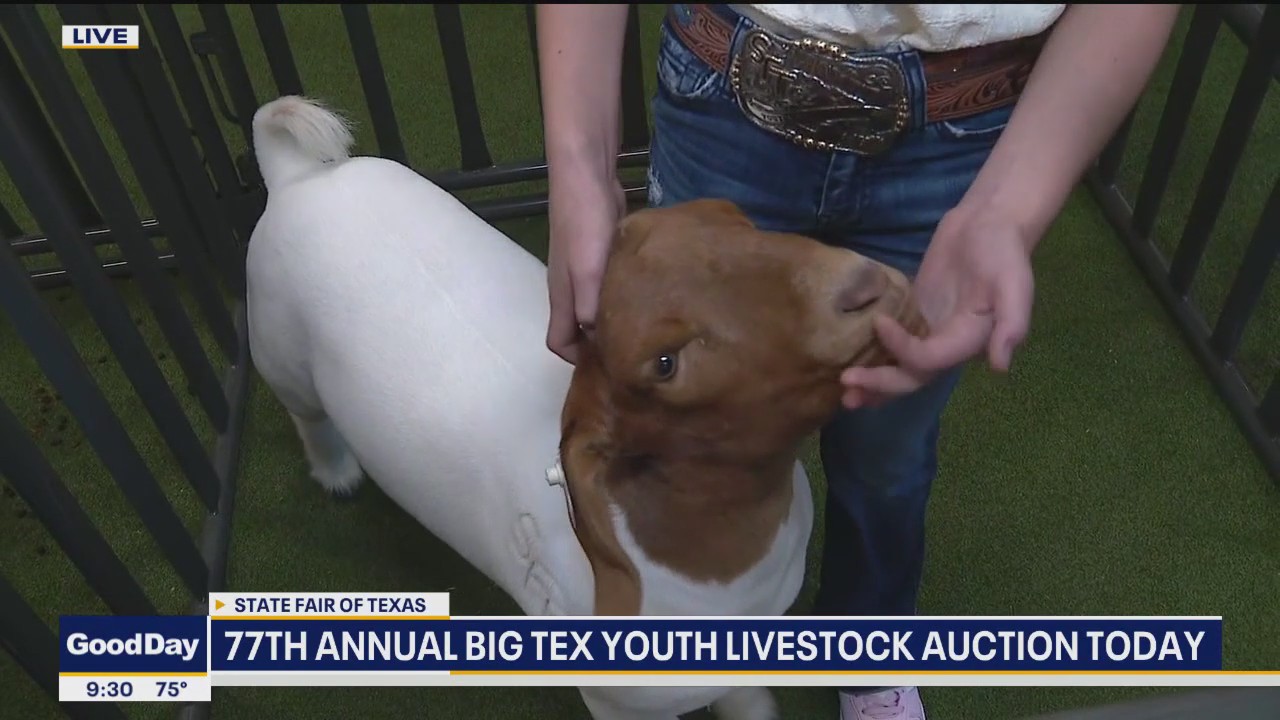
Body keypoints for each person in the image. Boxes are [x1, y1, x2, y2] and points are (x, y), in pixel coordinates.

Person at [535, 4, 1181, 718]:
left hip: (964, 118)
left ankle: (867, 641)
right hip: (724, 88)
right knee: (687, 423)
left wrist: (1009, 208)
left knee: (890, 453)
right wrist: (577, 164)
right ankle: (688, 627)